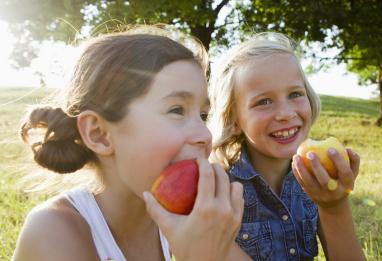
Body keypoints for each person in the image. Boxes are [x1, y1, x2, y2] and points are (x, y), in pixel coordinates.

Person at [12, 26, 247, 261]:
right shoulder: (53, 230)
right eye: (177, 110)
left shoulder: (180, 220)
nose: (205, 136)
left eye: (203, 115)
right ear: (99, 134)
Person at [208, 32, 366, 260]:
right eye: (264, 101)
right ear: (233, 120)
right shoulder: (219, 188)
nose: (285, 113)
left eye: (295, 94)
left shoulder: (316, 179)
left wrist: (335, 206)